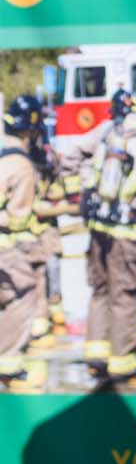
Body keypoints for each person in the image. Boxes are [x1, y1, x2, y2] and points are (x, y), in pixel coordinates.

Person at [80, 77, 136, 385]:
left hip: (98, 230)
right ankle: (122, 363)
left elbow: (83, 162)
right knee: (125, 296)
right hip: (127, 234)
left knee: (100, 290)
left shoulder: (112, 131)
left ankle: (96, 355)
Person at [0, 95, 48, 386]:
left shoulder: (3, 156)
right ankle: (9, 362)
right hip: (10, 246)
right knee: (21, 297)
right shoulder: (21, 164)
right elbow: (18, 214)